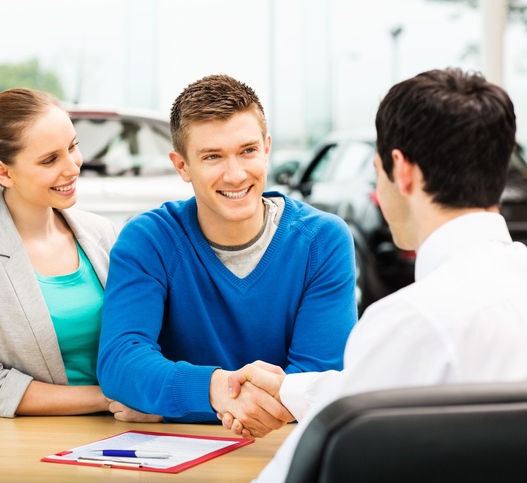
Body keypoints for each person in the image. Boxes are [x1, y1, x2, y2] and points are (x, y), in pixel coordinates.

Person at [224, 68, 527, 481]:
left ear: (400, 170)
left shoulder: (414, 319)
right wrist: (289, 390)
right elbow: (394, 393)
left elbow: (294, 474)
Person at [97, 74, 358, 435]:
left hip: (282, 453)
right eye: (213, 157)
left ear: (267, 148)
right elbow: (120, 361)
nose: (235, 174)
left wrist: (173, 406)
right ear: (182, 166)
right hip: (176, 460)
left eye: (248, 151)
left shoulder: (322, 241)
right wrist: (214, 389)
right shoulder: (149, 239)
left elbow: (318, 381)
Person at [0, 88, 133, 418]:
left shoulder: (101, 234)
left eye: (72, 147)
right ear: (3, 172)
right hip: (12, 444)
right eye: (50, 159)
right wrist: (106, 399)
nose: (72, 167)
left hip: (111, 433)